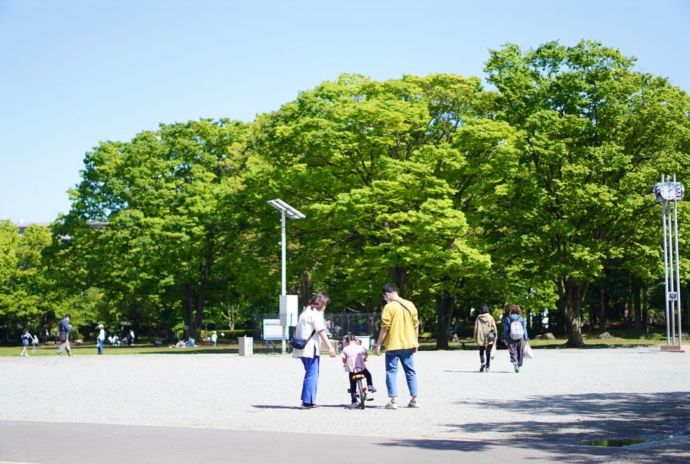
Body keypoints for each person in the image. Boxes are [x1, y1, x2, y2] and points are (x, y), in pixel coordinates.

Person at [374, 283, 420, 410]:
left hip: (393, 345)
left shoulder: (389, 307)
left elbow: (385, 327)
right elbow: (416, 325)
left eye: (384, 297)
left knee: (391, 372)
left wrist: (378, 344)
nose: (385, 299)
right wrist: (415, 342)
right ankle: (414, 399)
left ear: (388, 294)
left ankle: (393, 400)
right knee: (410, 372)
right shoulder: (410, 305)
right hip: (408, 344)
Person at [292, 292, 336, 408]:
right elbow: (321, 331)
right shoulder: (316, 314)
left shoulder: (305, 312)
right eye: (325, 304)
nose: (325, 307)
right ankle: (307, 401)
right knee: (312, 374)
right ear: (321, 304)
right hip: (310, 348)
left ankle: (308, 400)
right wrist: (330, 347)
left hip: (301, 348)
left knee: (310, 373)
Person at [342, 334, 377, 409]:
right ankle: (370, 385)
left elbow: (344, 359)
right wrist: (365, 358)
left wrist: (345, 364)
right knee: (368, 375)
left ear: (347, 341)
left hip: (352, 370)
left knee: (353, 385)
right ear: (355, 340)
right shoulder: (360, 347)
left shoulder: (345, 349)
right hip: (361, 368)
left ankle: (354, 402)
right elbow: (366, 353)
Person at [503, 304, 528, 373]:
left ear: (511, 311)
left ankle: (514, 361)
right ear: (519, 311)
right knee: (520, 351)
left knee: (512, 350)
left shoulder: (508, 318)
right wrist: (526, 338)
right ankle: (519, 364)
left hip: (511, 337)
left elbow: (506, 329)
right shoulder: (521, 318)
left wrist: (505, 338)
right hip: (520, 337)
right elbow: (524, 329)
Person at [473, 304, 498, 372]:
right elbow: (494, 327)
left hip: (480, 336)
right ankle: (487, 366)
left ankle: (482, 362)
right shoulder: (491, 317)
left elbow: (475, 328)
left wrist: (475, 337)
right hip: (489, 336)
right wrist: (495, 337)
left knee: (481, 351)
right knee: (488, 352)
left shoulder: (478, 318)